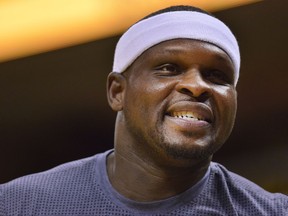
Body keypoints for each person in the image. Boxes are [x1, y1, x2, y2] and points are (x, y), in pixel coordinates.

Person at [0, 5, 287, 216]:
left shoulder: (270, 212)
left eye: (217, 76)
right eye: (168, 68)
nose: (196, 86)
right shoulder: (20, 204)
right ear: (117, 92)